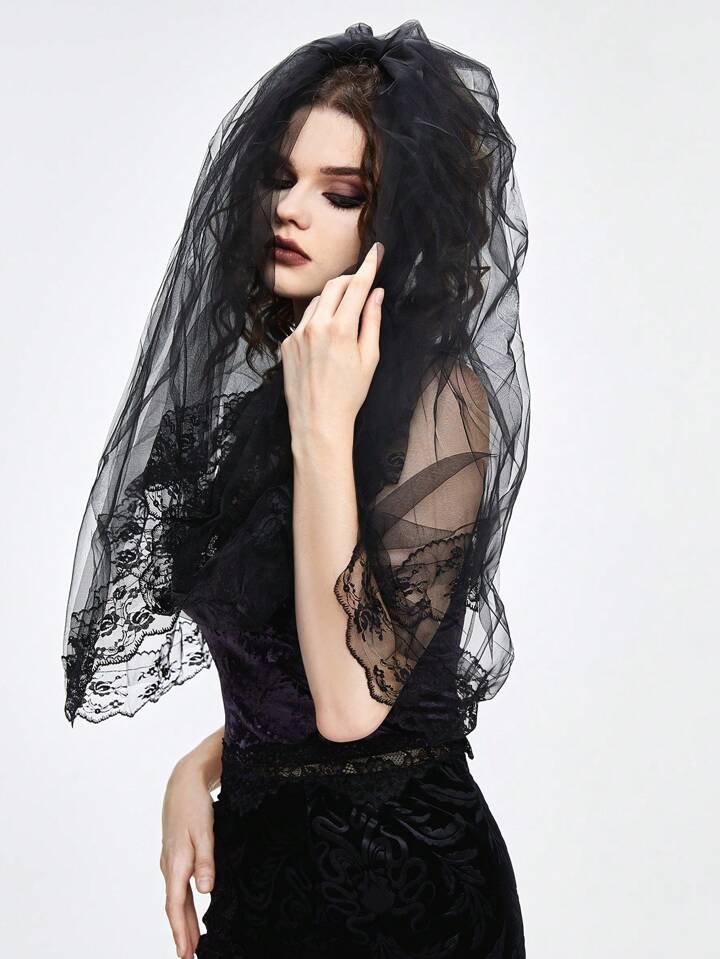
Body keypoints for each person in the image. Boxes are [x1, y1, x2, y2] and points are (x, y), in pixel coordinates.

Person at [62, 19, 530, 958]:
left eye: (340, 192)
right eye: (281, 178)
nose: (291, 209)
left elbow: (353, 704)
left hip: (405, 891)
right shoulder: (269, 406)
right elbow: (281, 662)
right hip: (267, 875)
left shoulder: (441, 397)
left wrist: (323, 436)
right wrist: (200, 763)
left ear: (402, 223)